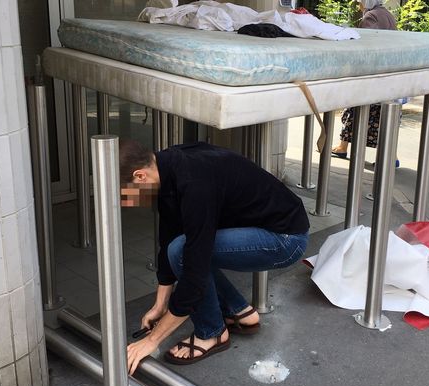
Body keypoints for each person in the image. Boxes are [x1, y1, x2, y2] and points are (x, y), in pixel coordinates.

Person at [122, 140, 309, 374]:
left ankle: (211, 334)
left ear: (139, 176)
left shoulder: (193, 184)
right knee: (179, 248)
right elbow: (169, 236)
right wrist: (159, 306)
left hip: (285, 239)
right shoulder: (168, 166)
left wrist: (152, 341)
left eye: (124, 196)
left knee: (184, 253)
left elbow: (194, 274)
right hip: (271, 227)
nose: (125, 204)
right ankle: (241, 312)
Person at [331, 0, 398, 161]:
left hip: (372, 73)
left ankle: (343, 147)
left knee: (355, 109)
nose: (359, 5)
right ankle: (391, 155)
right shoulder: (388, 14)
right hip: (389, 73)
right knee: (385, 116)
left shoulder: (371, 16)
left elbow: (366, 45)